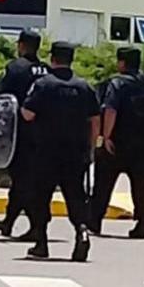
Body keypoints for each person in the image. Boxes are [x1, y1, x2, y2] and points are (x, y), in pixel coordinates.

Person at [21, 41, 100, 261]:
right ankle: (82, 230)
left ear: (52, 58)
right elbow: (95, 120)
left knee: (41, 196)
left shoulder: (43, 84)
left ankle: (41, 242)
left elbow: (28, 114)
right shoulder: (84, 87)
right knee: (75, 196)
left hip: (46, 152)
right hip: (76, 153)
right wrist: (91, 149)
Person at [90, 47, 144, 239]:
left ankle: (94, 221)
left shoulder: (117, 83)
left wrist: (106, 137)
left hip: (117, 142)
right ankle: (143, 223)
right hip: (142, 145)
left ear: (122, 63)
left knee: (103, 184)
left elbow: (111, 110)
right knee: (141, 186)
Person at [0, 31, 50, 240]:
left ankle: (33, 223)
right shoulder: (46, 69)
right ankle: (9, 220)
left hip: (21, 132)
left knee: (22, 179)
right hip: (44, 133)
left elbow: (4, 97)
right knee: (29, 179)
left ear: (21, 45)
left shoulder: (15, 68)